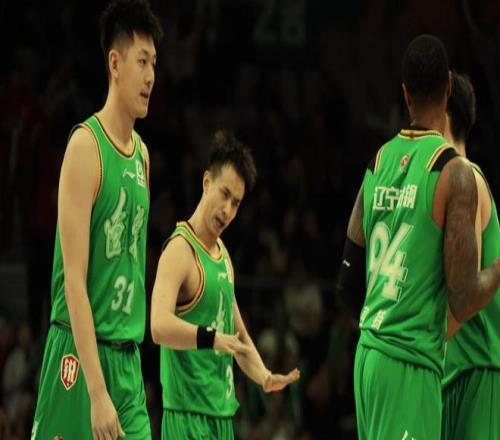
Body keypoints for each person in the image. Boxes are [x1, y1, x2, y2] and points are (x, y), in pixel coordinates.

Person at [335, 34, 500, 439]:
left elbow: (347, 283)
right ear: (448, 86)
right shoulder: (454, 172)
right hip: (411, 361)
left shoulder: (378, 161)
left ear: (405, 93)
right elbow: (463, 298)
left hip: (368, 358)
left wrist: (381, 323)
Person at [31, 1, 163, 439]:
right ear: (115, 64)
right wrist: (97, 390)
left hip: (127, 362)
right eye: (141, 62)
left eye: (154, 63)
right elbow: (73, 281)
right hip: (79, 356)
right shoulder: (85, 147)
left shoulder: (143, 156)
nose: (151, 76)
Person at [150, 130, 300, 439]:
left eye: (236, 203)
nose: (228, 210)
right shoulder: (179, 250)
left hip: (221, 418)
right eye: (224, 194)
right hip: (187, 420)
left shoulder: (223, 256)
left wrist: (264, 376)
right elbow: (158, 326)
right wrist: (211, 338)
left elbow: (237, 335)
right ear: (207, 182)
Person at [441, 72, 500, 440]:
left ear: (444, 117)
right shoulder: (447, 186)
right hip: (451, 369)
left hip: (479, 367)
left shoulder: (467, 178)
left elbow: (466, 296)